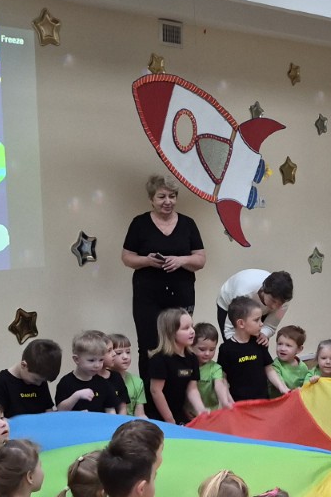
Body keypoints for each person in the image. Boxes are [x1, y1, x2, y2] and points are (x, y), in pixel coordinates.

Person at [121, 175, 206, 380]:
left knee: (180, 343)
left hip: (181, 293)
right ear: (151, 199)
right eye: (161, 197)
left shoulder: (188, 224)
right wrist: (147, 261)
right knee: (149, 344)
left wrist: (181, 260)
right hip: (147, 296)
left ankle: (180, 390)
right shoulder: (139, 223)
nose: (168, 201)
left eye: (172, 196)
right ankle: (151, 394)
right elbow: (127, 257)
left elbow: (200, 259)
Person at [219, 296, 285, 403]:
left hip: (263, 401)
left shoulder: (260, 342)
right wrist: (227, 399)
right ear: (241, 323)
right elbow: (223, 378)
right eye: (256, 320)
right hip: (240, 404)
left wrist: (282, 387)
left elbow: (269, 369)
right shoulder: (226, 349)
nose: (261, 323)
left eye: (261, 319)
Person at [147, 308, 206, 425]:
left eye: (192, 326)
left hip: (178, 413)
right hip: (157, 416)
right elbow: (156, 391)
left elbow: (192, 389)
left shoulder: (192, 358)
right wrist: (170, 420)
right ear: (171, 332)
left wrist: (202, 410)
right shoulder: (159, 360)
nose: (192, 331)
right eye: (186, 328)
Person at [214, 268, 294, 344]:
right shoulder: (244, 292)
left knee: (259, 345)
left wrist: (264, 334)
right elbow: (229, 329)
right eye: (273, 301)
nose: (274, 307)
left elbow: (270, 326)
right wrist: (234, 346)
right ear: (263, 290)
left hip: (257, 308)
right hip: (228, 303)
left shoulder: (284, 301)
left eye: (279, 304)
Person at [0, 339, 63, 418]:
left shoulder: (40, 380)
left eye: (43, 381)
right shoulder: (1, 382)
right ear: (24, 365)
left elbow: (48, 410)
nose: (39, 384)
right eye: (36, 380)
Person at [55, 332, 118, 413]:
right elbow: (61, 410)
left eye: (101, 360)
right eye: (91, 360)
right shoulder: (66, 382)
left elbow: (110, 410)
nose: (97, 365)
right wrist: (76, 396)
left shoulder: (104, 383)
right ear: (76, 359)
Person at [107, 333, 146, 418]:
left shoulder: (137, 381)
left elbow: (140, 414)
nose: (125, 357)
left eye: (128, 352)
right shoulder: (101, 380)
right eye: (119, 353)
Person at [194, 323, 228, 411]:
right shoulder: (187, 366)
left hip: (210, 412)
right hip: (188, 412)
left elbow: (219, 385)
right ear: (191, 346)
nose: (207, 353)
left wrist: (225, 401)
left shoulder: (216, 368)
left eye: (212, 349)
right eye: (202, 349)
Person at [270, 326, 311, 394]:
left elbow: (306, 383)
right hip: (281, 399)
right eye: (280, 344)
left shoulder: (303, 366)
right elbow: (282, 386)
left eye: (288, 345)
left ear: (299, 349)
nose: (282, 348)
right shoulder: (275, 365)